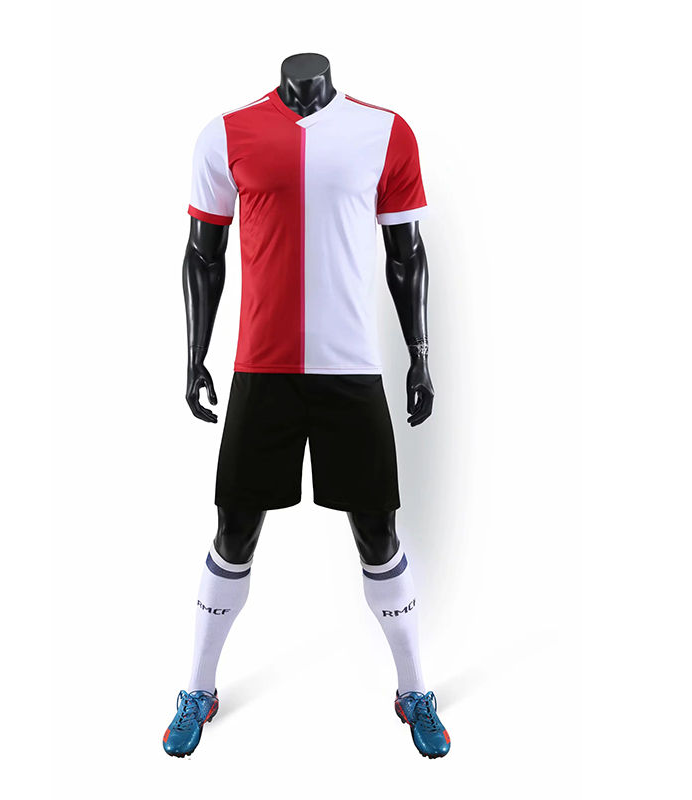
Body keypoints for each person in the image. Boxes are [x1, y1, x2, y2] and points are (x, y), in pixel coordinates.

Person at [163, 54, 450, 759]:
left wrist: (420, 352)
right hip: (261, 370)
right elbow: (203, 254)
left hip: (350, 370)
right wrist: (194, 354)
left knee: (378, 535)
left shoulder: (385, 132)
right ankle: (197, 688)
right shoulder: (224, 134)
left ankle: (413, 689)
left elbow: (407, 253)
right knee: (234, 533)